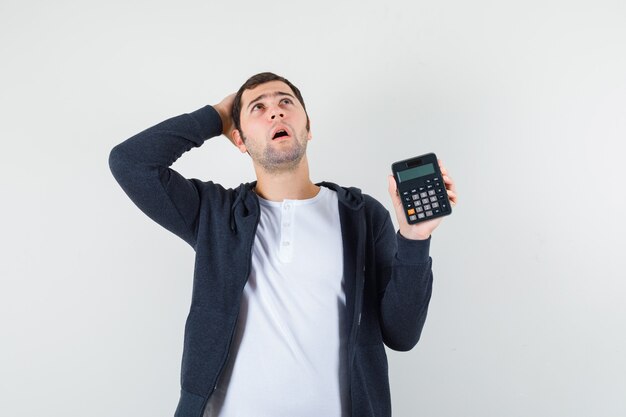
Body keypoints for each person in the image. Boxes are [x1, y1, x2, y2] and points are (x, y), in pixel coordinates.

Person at [108, 72, 457, 417]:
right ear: (239, 140)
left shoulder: (362, 216)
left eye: (285, 102)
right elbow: (131, 163)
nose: (275, 112)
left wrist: (414, 238)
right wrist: (215, 115)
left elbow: (402, 334)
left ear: (308, 127)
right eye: (258, 108)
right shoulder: (214, 215)